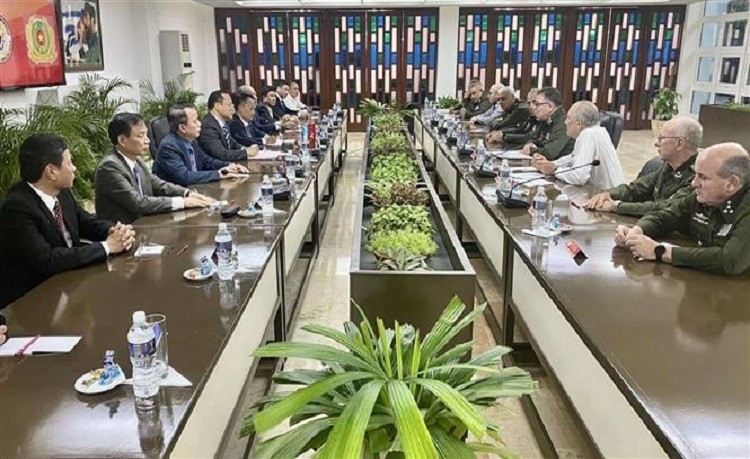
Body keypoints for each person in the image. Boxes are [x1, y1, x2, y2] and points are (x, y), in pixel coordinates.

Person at [0, 134, 136, 308]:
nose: (75, 168)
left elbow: (84, 222)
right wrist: (107, 246)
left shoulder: (61, 192)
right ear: (51, 171)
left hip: (71, 282)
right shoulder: (17, 207)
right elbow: (46, 260)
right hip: (36, 300)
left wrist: (114, 231)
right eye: (70, 162)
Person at [616, 142, 750, 275]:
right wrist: (636, 232)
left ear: (732, 183)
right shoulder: (701, 197)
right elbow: (665, 216)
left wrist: (660, 251)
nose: (694, 183)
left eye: (703, 177)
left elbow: (730, 260)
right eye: (696, 175)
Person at [95, 113, 216, 224]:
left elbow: (157, 184)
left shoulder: (136, 159)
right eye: (140, 136)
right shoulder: (110, 167)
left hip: (147, 224)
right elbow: (138, 203)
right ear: (122, 140)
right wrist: (183, 202)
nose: (147, 140)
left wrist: (187, 193)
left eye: (146, 135)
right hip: (125, 231)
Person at [585, 116, 702, 216]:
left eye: (661, 138)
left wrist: (616, 206)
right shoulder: (668, 166)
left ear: (680, 143)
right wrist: (607, 194)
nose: (656, 143)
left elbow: (665, 207)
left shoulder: (699, 175)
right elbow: (636, 189)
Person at [532, 100, 625, 190]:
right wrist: (553, 164)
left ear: (578, 123)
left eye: (568, 118)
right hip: (609, 192)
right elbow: (573, 156)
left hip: (607, 197)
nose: (565, 122)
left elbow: (579, 177)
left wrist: (554, 171)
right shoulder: (599, 131)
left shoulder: (587, 135)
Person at [153, 104, 249, 187]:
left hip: (197, 190)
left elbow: (206, 161)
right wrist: (219, 174)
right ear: (182, 127)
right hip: (178, 198)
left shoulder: (191, 140)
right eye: (195, 121)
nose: (200, 124)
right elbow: (185, 177)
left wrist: (230, 166)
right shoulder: (169, 147)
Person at [198, 90, 258, 162]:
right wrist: (246, 152)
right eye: (229, 105)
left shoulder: (223, 123)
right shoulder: (208, 126)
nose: (232, 108)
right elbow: (221, 154)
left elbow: (232, 143)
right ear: (217, 106)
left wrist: (244, 149)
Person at [520, 87, 574, 160]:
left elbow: (550, 153)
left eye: (538, 104)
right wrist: (530, 145)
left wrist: (532, 150)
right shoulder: (546, 120)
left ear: (550, 106)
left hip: (563, 168)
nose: (535, 108)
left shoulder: (564, 122)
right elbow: (536, 140)